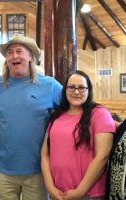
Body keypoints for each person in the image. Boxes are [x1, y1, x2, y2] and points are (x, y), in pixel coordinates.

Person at [0, 34, 62, 200]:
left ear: (30, 56)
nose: (14, 56)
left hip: (38, 169)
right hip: (4, 168)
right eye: (10, 52)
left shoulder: (50, 85)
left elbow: (75, 108)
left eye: (19, 51)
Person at [41, 70, 116, 200]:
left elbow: (102, 157)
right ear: (65, 90)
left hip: (89, 194)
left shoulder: (99, 114)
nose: (76, 92)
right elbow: (45, 153)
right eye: (71, 87)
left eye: (81, 88)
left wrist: (79, 191)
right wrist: (50, 187)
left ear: (89, 90)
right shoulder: (57, 115)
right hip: (58, 193)